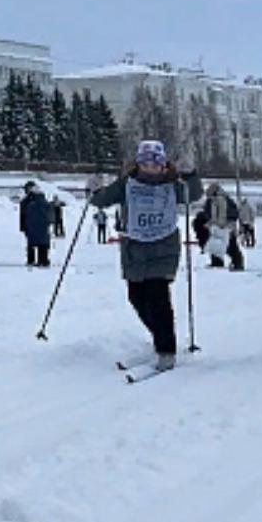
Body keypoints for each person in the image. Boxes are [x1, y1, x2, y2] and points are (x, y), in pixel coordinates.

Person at [87, 140, 201, 371]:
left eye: (155, 163)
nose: (151, 167)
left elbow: (193, 195)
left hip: (164, 246)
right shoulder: (127, 184)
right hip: (134, 248)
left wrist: (190, 175)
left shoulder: (172, 184)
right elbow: (102, 200)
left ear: (162, 164)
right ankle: (159, 334)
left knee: (158, 298)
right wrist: (94, 189)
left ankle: (166, 349)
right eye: (146, 163)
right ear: (138, 164)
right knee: (137, 297)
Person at [202, 182, 246, 271]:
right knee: (215, 244)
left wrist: (228, 222)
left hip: (227, 226)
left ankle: (237, 263)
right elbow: (207, 212)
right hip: (216, 226)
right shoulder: (211, 200)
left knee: (231, 245)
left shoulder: (225, 200)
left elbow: (233, 212)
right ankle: (217, 262)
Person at [19, 181, 53, 268]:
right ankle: (38, 260)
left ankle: (38, 260)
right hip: (34, 225)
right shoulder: (28, 201)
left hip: (36, 225)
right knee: (38, 244)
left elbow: (48, 211)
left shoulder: (33, 200)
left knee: (38, 244)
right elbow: (23, 214)